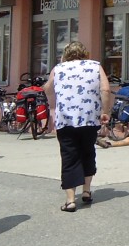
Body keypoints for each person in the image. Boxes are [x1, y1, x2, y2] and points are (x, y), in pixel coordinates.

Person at [44, 41, 111, 212]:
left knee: (69, 156)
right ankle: (86, 191)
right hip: (89, 118)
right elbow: (105, 90)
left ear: (65, 54)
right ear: (85, 53)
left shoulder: (58, 68)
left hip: (65, 120)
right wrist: (105, 111)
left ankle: (70, 200)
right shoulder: (95, 66)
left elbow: (47, 89)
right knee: (88, 152)